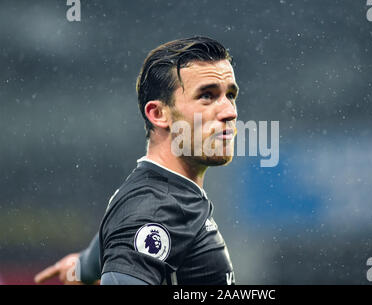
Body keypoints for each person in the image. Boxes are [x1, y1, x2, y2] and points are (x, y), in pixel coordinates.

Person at [35, 36, 239, 285]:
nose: (230, 111)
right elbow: (137, 225)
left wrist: (79, 268)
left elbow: (112, 243)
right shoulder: (153, 210)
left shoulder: (167, 196)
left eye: (230, 95)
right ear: (158, 114)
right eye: (207, 96)